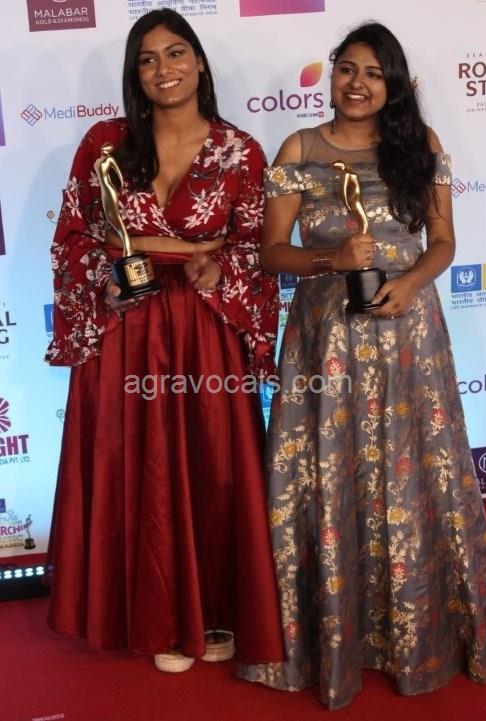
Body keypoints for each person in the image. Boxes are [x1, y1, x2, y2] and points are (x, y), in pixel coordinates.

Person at [238, 22, 486, 709]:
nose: (356, 83)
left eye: (372, 72)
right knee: (324, 475)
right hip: (325, 337)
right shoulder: (299, 148)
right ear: (331, 74)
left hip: (407, 333)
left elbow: (443, 240)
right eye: (346, 69)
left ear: (392, 84)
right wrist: (330, 259)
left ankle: (416, 631)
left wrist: (411, 282)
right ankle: (325, 637)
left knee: (411, 472)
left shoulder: (418, 146)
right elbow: (271, 251)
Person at [45, 8, 284, 673]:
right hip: (126, 329)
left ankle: (212, 612)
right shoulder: (104, 143)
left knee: (214, 468)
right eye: (147, 59)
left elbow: (257, 246)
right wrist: (117, 272)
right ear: (135, 73)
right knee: (134, 468)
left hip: (204, 330)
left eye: (176, 53)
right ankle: (150, 617)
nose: (163, 69)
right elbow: (72, 237)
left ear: (199, 61)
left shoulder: (240, 150)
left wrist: (219, 266)